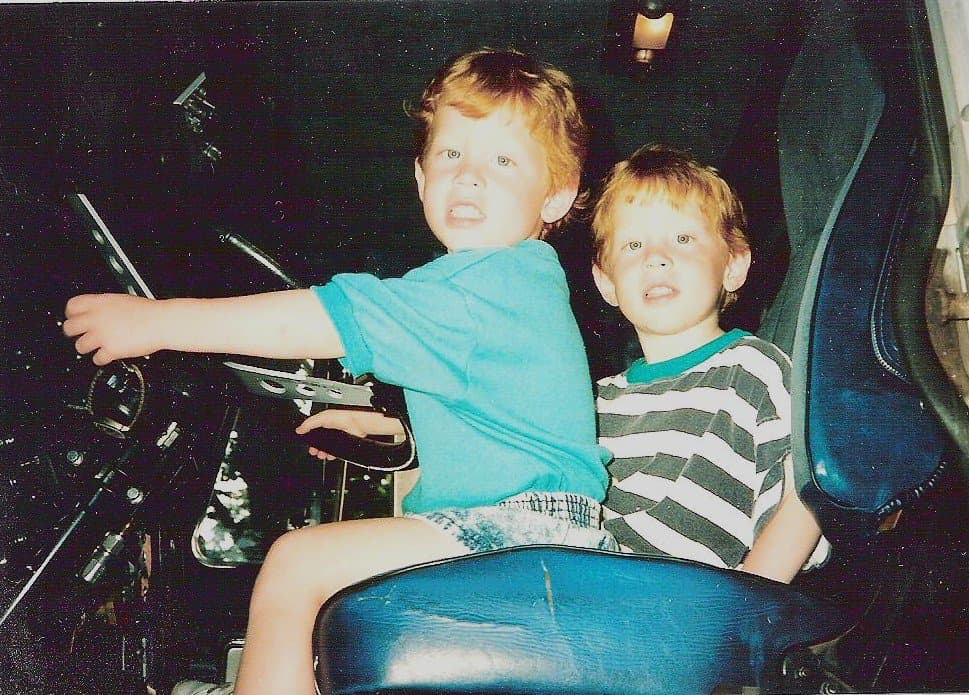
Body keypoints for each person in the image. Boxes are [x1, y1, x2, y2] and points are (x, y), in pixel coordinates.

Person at [63, 48, 617, 695]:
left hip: (521, 534)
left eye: (502, 160)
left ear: (556, 194)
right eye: (450, 154)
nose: (468, 176)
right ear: (419, 176)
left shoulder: (487, 280)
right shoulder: (520, 288)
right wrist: (391, 429)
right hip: (541, 533)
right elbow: (497, 415)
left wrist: (155, 323)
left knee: (298, 560)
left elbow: (330, 317)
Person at [590, 143, 829, 582]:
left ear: (734, 267)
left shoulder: (754, 370)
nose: (655, 256)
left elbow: (806, 495)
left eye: (683, 239)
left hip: (695, 607)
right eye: (633, 244)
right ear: (606, 283)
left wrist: (745, 605)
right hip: (595, 592)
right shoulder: (594, 403)